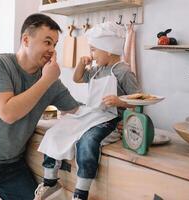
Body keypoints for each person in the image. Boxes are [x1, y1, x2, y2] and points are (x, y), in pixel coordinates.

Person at [0, 13, 79, 200]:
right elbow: (8, 113)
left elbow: (76, 110)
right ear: (26, 40)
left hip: (10, 165)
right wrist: (46, 80)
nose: (52, 49)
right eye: (47, 42)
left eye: (55, 44)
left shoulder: (50, 81)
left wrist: (110, 114)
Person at [35, 22, 141, 200]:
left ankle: (80, 193)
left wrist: (119, 101)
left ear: (107, 49)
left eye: (94, 50)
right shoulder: (97, 69)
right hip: (91, 113)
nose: (91, 54)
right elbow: (77, 79)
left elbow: (139, 99)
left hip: (110, 118)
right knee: (56, 131)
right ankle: (50, 183)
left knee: (87, 141)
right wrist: (80, 65)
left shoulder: (123, 71)